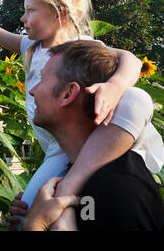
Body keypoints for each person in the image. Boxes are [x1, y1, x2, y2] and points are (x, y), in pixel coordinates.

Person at [0, 0, 163, 230]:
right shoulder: (31, 47)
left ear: (60, 14)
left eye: (30, 10)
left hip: (89, 141)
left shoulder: (81, 47)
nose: (23, 18)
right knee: (25, 219)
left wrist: (115, 86)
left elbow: (130, 59)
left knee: (135, 98)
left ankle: (71, 184)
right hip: (56, 151)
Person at [17, 40, 164, 230]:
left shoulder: (116, 187)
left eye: (42, 79)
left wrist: (34, 224)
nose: (32, 90)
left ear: (68, 93)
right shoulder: (71, 174)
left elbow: (137, 99)